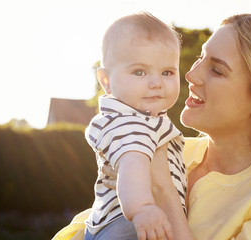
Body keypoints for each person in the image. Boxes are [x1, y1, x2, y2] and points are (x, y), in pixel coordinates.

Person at [52, 13, 251, 240]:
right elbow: (88, 228)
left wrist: (164, 193)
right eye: (200, 57)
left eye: (217, 70)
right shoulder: (172, 148)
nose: (191, 74)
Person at [82, 12, 186, 240]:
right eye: (139, 72)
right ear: (106, 81)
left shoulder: (141, 118)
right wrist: (143, 208)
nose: (156, 83)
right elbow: (133, 165)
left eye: (167, 72)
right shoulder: (131, 122)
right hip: (126, 226)